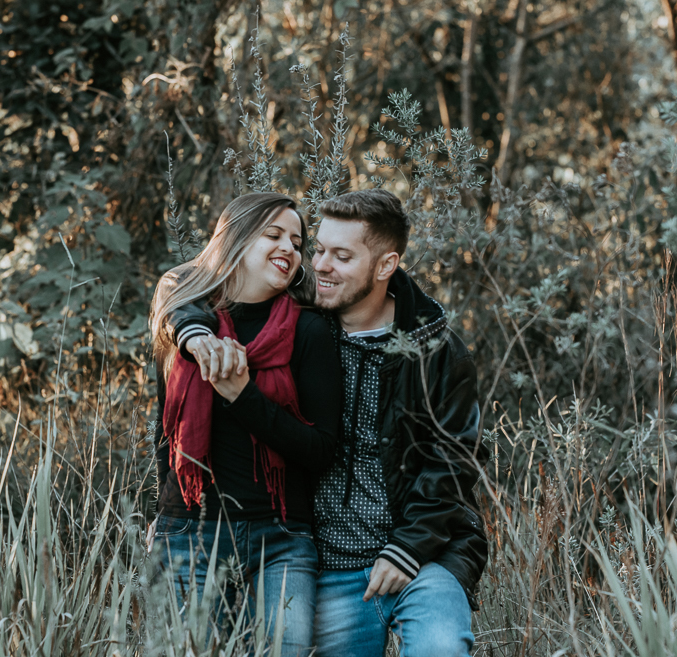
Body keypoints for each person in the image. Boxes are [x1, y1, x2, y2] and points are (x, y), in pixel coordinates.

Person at [173, 189, 487, 657]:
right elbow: (189, 282)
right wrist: (192, 329)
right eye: (318, 249)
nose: (320, 265)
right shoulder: (301, 323)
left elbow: (456, 461)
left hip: (424, 557)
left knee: (440, 647)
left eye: (342, 256)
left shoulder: (436, 350)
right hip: (333, 568)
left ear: (385, 267)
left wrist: (407, 548)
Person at [149, 192, 343, 657]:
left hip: (280, 539)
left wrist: (242, 396)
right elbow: (165, 436)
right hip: (189, 534)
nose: (290, 249)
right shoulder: (186, 321)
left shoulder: (310, 331)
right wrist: (164, 520)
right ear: (233, 239)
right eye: (273, 235)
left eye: (297, 242)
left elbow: (321, 450)